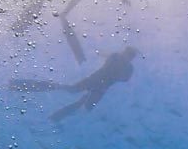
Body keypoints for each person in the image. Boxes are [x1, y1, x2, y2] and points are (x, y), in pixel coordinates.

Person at [9, 46, 138, 121]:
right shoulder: (119, 59)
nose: (126, 56)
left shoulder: (125, 64)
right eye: (127, 54)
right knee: (72, 91)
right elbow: (116, 70)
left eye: (128, 55)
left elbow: (123, 77)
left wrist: (113, 67)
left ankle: (57, 117)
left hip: (100, 87)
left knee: (84, 105)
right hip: (96, 82)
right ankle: (35, 87)